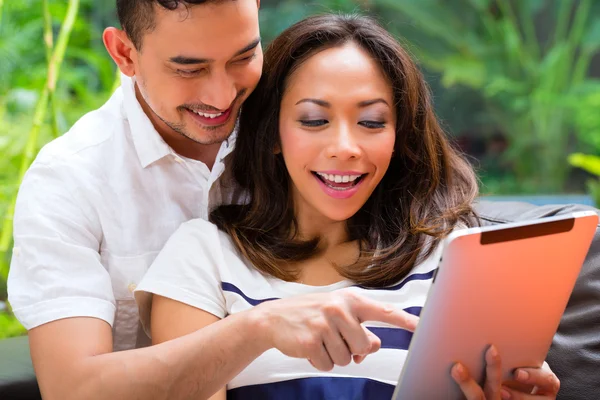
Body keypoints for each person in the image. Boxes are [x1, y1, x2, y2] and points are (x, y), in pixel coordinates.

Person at [135, 14, 561, 400]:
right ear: (273, 134)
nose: (345, 148)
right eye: (314, 121)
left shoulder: (454, 258)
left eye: (372, 122)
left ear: (399, 136)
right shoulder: (205, 256)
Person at [7, 2, 419, 399]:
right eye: (190, 68)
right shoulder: (69, 182)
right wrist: (260, 325)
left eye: (243, 56)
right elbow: (73, 391)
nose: (222, 97)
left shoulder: (295, 123)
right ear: (124, 53)